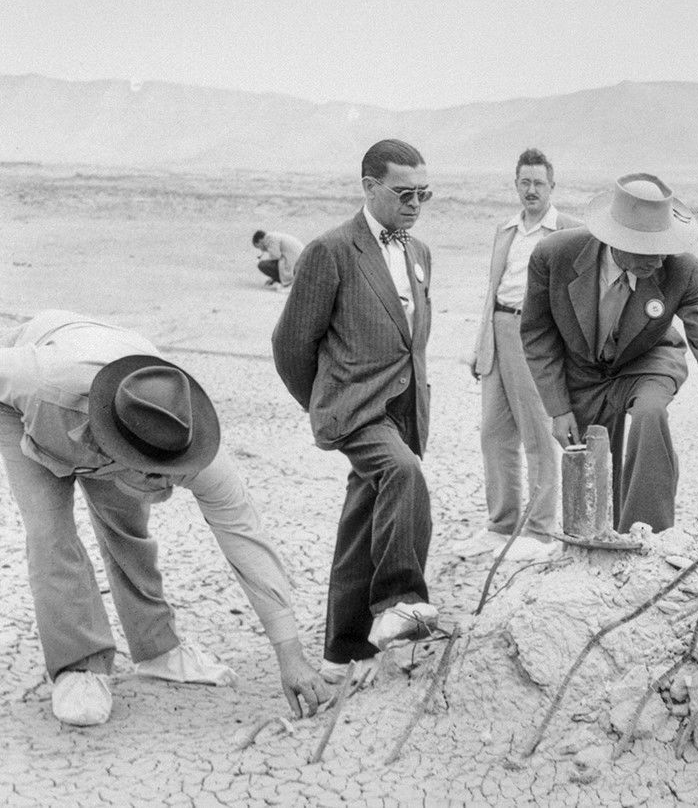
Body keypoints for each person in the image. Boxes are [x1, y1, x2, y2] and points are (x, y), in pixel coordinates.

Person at [0, 310, 331, 726]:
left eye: (172, 472)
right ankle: (79, 665)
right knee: (49, 532)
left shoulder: (184, 439)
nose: (169, 487)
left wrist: (291, 657)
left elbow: (245, 536)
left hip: (114, 393)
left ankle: (157, 648)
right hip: (28, 410)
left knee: (128, 525)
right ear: (119, 449)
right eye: (155, 474)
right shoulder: (40, 380)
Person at [272, 139, 437, 687]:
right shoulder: (331, 251)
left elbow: (410, 338)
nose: (415, 204)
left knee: (365, 516)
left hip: (404, 407)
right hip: (356, 409)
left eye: (424, 194)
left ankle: (343, 652)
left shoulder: (420, 253)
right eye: (404, 193)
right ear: (369, 187)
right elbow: (291, 344)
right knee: (402, 474)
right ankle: (399, 601)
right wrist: (326, 402)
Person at [522, 173, 698, 533]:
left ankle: (647, 536)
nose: (659, 261)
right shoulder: (554, 255)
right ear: (614, 239)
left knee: (650, 415)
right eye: (647, 250)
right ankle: (603, 541)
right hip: (583, 372)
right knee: (593, 468)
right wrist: (558, 409)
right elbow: (537, 334)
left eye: (664, 247)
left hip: (648, 361)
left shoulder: (684, 269)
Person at [459, 148, 581, 561]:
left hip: (537, 337)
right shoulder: (506, 229)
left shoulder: (567, 231)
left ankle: (540, 530)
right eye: (525, 182)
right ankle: (501, 524)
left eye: (539, 183)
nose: (531, 190)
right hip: (498, 328)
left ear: (552, 186)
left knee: (538, 434)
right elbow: (492, 288)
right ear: (515, 185)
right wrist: (481, 344)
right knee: (494, 433)